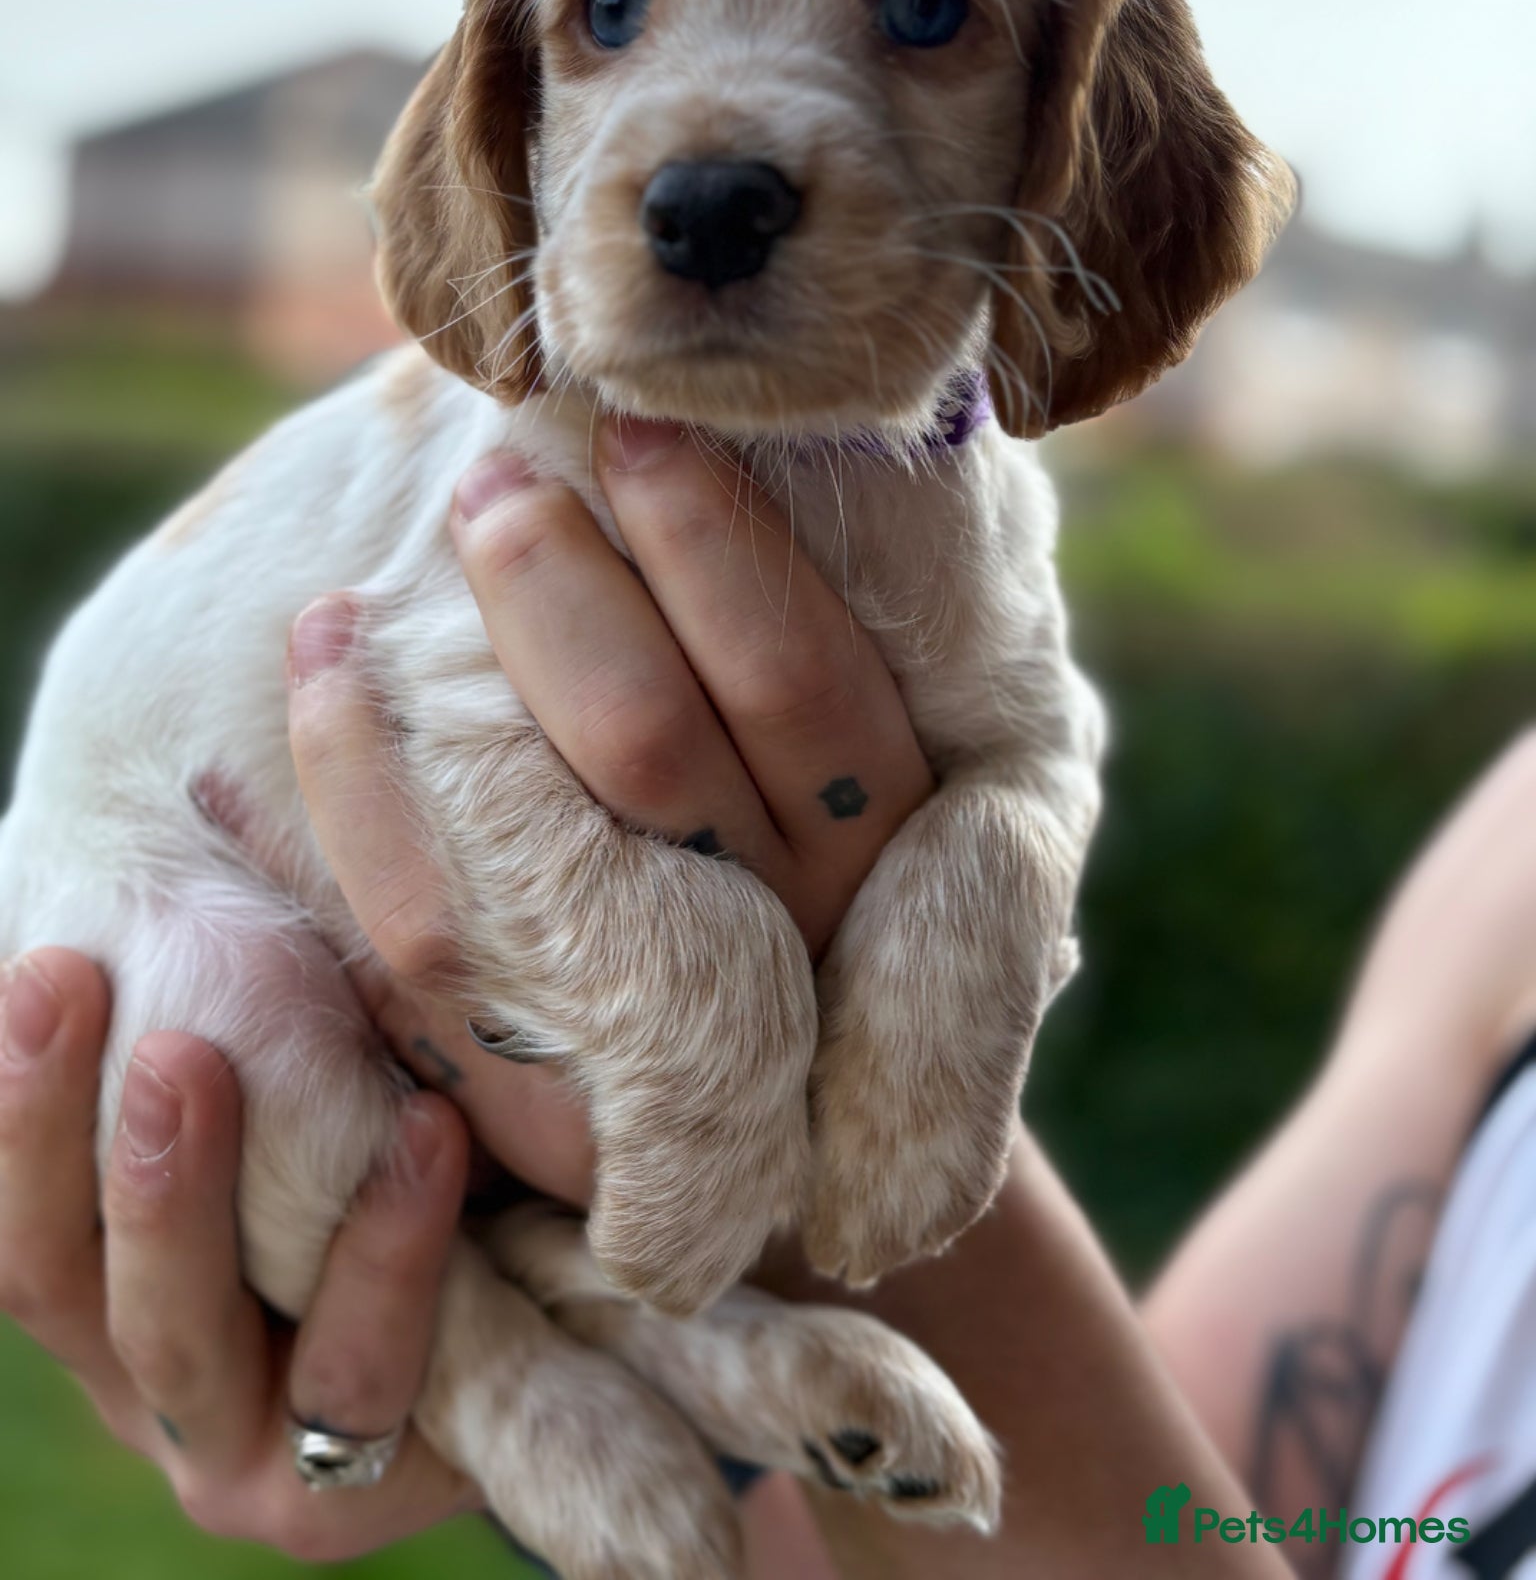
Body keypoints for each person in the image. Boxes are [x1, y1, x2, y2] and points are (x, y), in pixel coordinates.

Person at [1, 424, 1532, 1576]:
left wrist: (834, 1111)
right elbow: (1187, 1500)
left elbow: (1030, 753)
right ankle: (497, 1355)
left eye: (923, 15)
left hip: (508, 1166)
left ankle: (561, 1349)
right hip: (159, 874)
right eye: (608, 11)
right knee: (258, 1058)